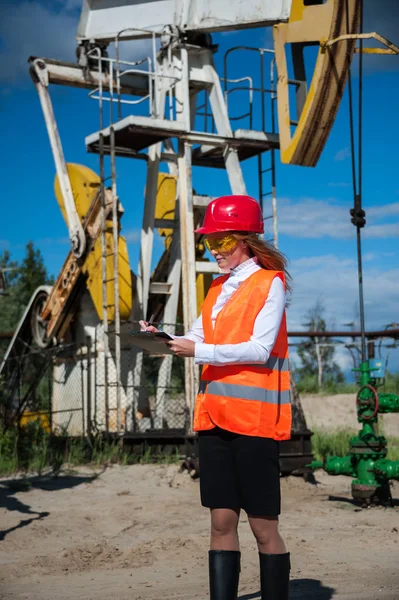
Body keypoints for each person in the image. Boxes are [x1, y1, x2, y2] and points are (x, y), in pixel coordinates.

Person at [140, 195, 292, 600]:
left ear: (246, 238)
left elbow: (259, 349)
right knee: (221, 522)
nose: (215, 251)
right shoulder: (217, 288)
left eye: (222, 242)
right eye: (210, 243)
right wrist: (164, 340)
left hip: (255, 423)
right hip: (215, 420)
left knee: (263, 527)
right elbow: (199, 337)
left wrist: (199, 351)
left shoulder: (269, 283)